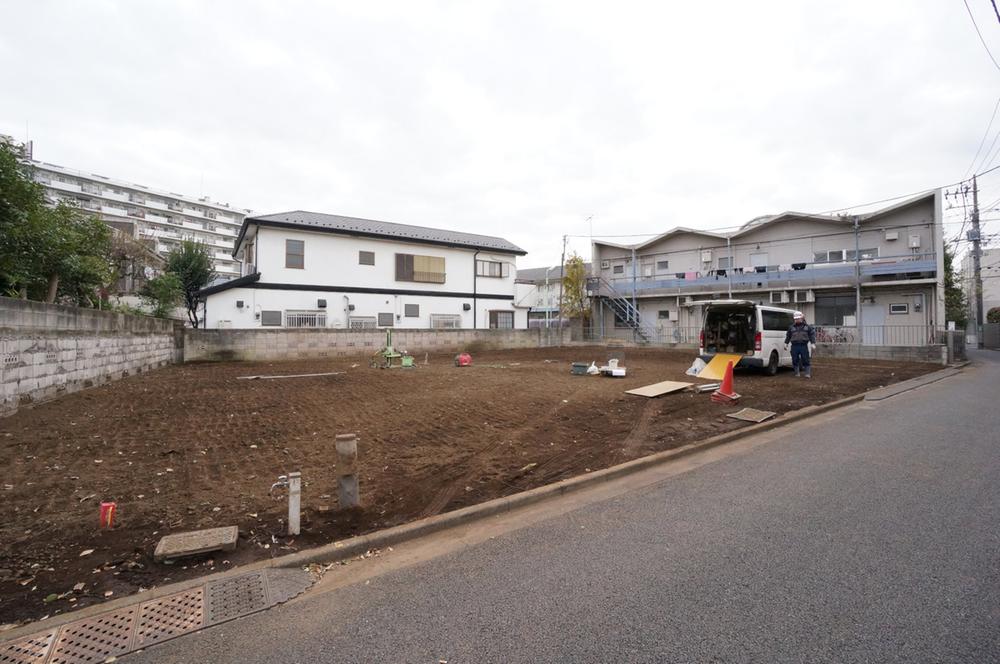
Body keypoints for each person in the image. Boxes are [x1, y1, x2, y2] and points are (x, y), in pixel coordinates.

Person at [784, 311, 816, 378]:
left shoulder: (807, 327)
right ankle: (796, 373)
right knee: (795, 359)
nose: (797, 320)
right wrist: (786, 343)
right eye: (795, 319)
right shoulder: (791, 327)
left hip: (803, 346)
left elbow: (811, 335)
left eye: (798, 318)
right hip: (794, 346)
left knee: (805, 359)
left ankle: (807, 373)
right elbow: (788, 336)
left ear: (802, 318)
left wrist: (813, 343)